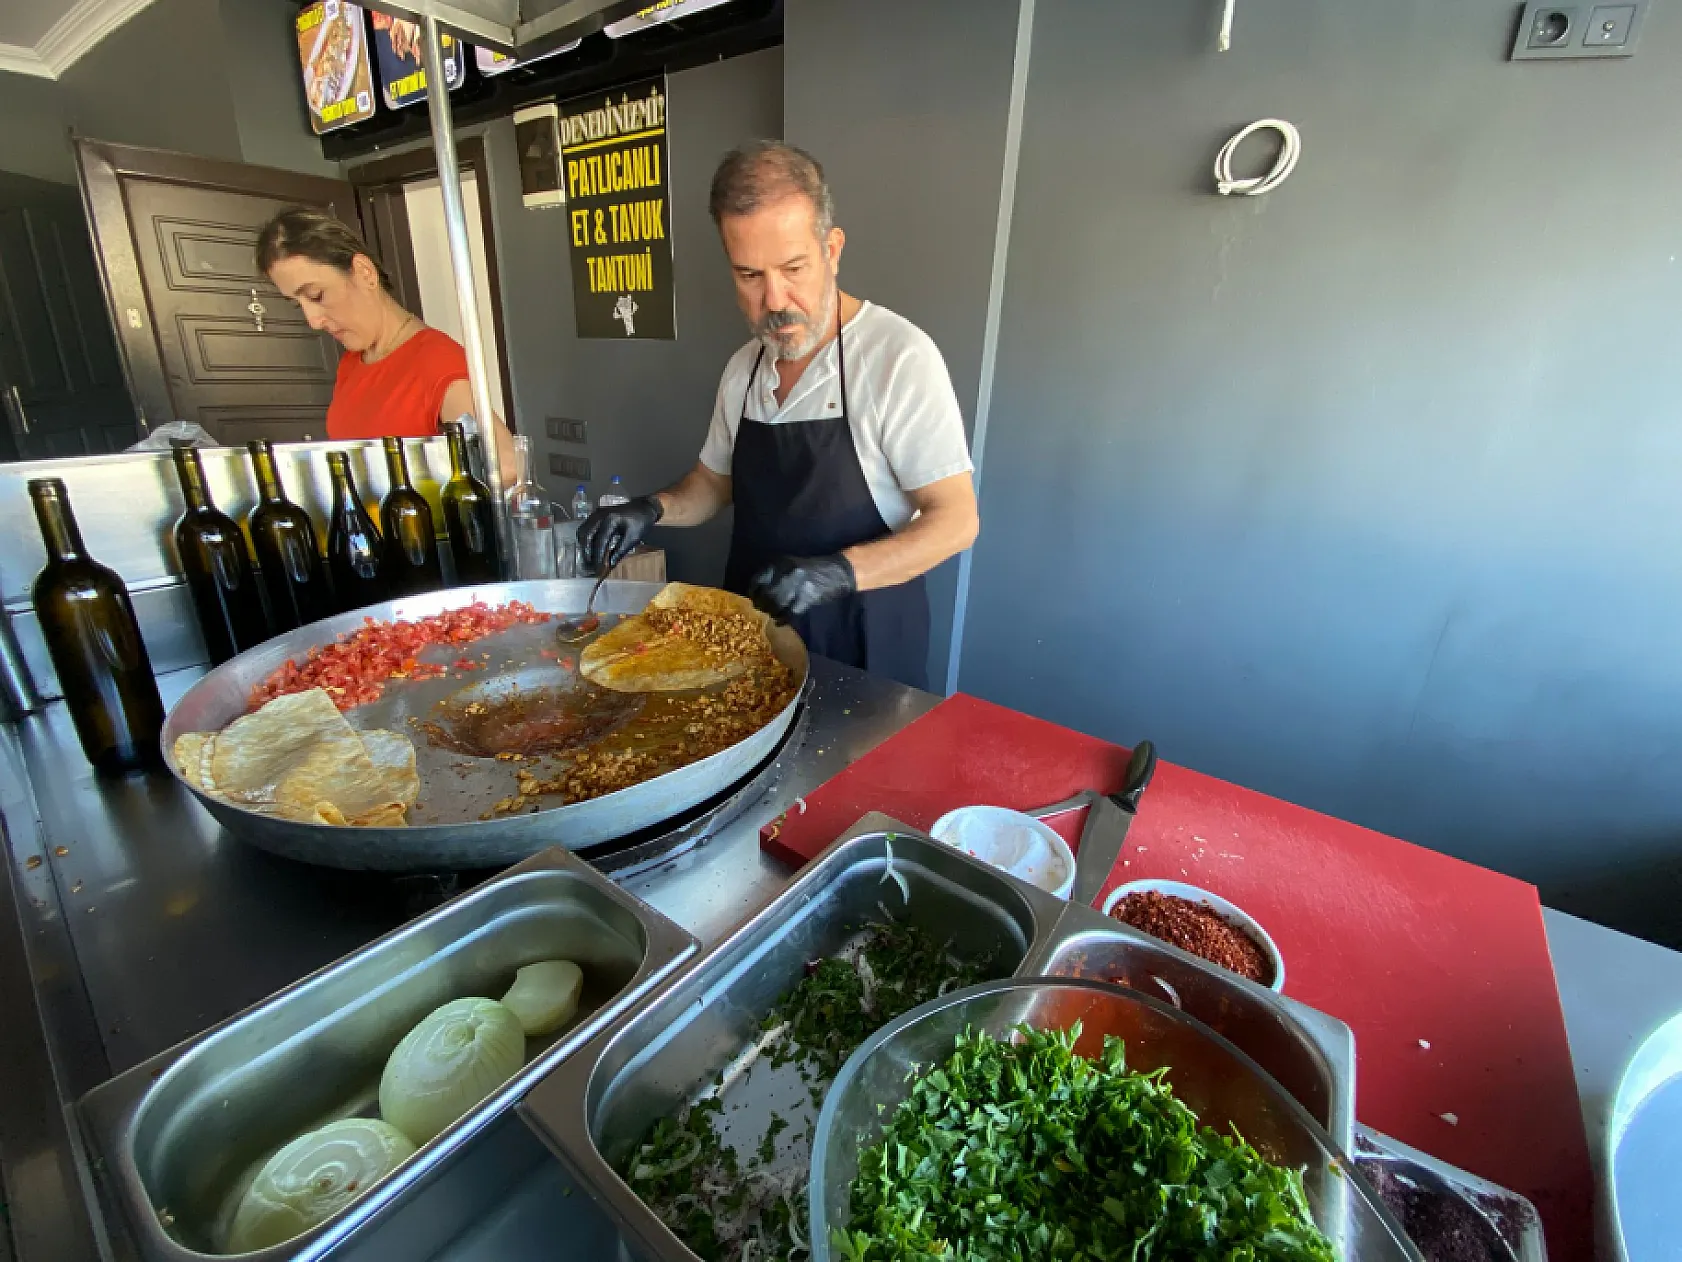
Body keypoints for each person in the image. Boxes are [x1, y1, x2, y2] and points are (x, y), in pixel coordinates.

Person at [578, 141, 979, 689]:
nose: (774, 299)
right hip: (757, 641)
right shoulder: (744, 368)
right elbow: (712, 486)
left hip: (864, 648)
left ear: (832, 250)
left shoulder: (896, 358)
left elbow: (956, 520)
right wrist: (650, 508)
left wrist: (839, 572)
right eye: (749, 276)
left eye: (793, 268)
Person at [254, 207, 516, 476]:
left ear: (364, 272)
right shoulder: (351, 365)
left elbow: (504, 466)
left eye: (316, 295)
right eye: (298, 305)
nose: (313, 320)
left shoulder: (435, 360)